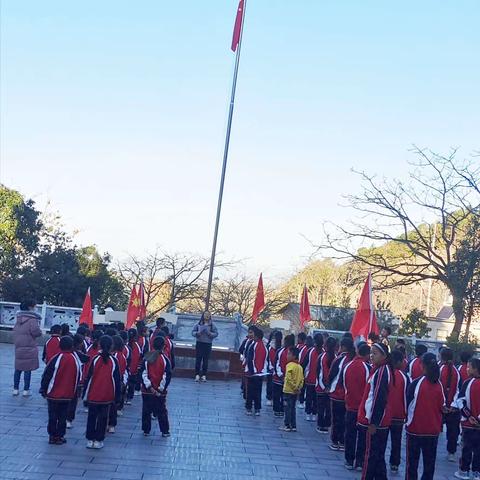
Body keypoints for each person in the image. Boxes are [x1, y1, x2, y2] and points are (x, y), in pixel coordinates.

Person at [405, 352, 446, 480]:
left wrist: (407, 422)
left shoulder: (416, 383)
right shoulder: (439, 385)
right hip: (432, 431)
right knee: (429, 464)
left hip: (415, 430)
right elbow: (442, 407)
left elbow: (407, 404)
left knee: (412, 463)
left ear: (422, 365)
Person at [357, 342, 393, 479]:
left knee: (370, 456)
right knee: (377, 456)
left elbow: (379, 398)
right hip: (381, 421)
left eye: (375, 353)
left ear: (384, 356)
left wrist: (373, 422)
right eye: (371, 353)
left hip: (376, 421)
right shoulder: (381, 369)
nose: (371, 356)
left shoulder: (382, 371)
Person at [39, 335, 81, 445]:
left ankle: (52, 436)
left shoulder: (55, 359)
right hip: (67, 395)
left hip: (52, 394)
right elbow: (77, 377)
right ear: (72, 346)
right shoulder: (74, 359)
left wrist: (43, 389)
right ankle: (60, 436)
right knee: (63, 416)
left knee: (52, 416)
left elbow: (47, 375)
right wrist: (74, 392)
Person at [83, 335, 121, 449]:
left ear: (99, 344)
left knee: (91, 417)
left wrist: (86, 394)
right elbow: (116, 380)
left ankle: (90, 439)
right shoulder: (114, 361)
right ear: (111, 346)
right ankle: (99, 440)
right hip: (107, 395)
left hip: (94, 394)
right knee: (103, 419)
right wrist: (117, 396)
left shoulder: (95, 359)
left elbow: (88, 378)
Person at [343, 342, 371, 471]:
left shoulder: (348, 366)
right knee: (362, 437)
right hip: (363, 408)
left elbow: (345, 386)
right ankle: (359, 462)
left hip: (350, 405)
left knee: (350, 434)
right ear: (367, 355)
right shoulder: (368, 368)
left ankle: (349, 460)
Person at [327, 337, 355, 451]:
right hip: (348, 396)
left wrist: (329, 387)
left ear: (343, 347)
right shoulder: (354, 360)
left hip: (337, 394)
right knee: (345, 420)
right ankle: (343, 442)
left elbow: (331, 375)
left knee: (336, 419)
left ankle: (335, 441)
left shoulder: (339, 359)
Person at [454, 357, 480, 480]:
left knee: (466, 448)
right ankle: (477, 472)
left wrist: (469, 416)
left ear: (475, 369)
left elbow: (460, 401)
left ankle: (464, 471)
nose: (467, 369)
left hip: (468, 423)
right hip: (477, 424)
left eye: (469, 367)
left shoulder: (467, 383)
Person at [141, 335, 172, 437]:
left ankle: (146, 430)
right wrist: (159, 389)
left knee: (146, 410)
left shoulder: (147, 357)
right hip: (160, 392)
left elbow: (143, 373)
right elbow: (166, 376)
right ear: (164, 346)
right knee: (161, 410)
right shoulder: (165, 360)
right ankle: (165, 431)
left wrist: (149, 386)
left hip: (147, 390)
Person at [12, 299, 42, 397]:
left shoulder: (18, 318)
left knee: (18, 369)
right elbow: (36, 332)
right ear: (30, 307)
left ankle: (15, 389)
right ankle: (26, 390)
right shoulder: (32, 319)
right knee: (27, 369)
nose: (36, 308)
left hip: (19, 346)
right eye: (35, 306)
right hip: (29, 346)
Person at [388, 349, 409, 474]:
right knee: (396, 440)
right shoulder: (405, 377)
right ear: (400, 362)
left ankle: (379, 460)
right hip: (399, 415)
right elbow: (407, 397)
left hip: (385, 414)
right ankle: (395, 463)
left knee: (382, 440)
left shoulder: (385, 373)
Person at [439, 347, 461, 462]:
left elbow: (437, 388)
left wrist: (443, 405)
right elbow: (459, 389)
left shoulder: (438, 369)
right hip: (453, 407)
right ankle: (451, 452)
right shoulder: (456, 371)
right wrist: (452, 405)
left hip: (441, 406)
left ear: (441, 356)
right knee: (453, 431)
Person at [66, 333, 89, 428]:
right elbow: (87, 358)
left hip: (66, 381)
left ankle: (65, 418)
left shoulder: (68, 353)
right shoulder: (76, 354)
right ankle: (68, 419)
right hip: (74, 382)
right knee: (72, 401)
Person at [245, 326, 268, 416]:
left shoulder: (253, 345)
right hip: (261, 373)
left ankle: (249, 408)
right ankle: (257, 409)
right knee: (258, 391)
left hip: (252, 373)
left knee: (250, 391)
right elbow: (266, 360)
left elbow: (250, 359)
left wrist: (251, 371)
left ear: (256, 336)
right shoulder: (265, 347)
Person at [280, 347, 304, 432]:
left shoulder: (289, 366)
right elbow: (302, 379)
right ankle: (293, 426)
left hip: (288, 391)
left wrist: (293, 387)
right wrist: (298, 388)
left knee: (287, 408)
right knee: (293, 408)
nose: (287, 355)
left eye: (289, 354)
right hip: (295, 392)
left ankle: (287, 425)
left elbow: (288, 378)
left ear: (294, 356)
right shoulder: (300, 367)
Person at [316, 336, 336, 433]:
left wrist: (323, 386)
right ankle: (327, 425)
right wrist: (330, 387)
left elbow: (319, 373)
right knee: (328, 408)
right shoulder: (336, 358)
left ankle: (320, 425)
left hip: (321, 386)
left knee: (321, 407)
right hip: (331, 388)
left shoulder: (321, 357)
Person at [108, 335, 128, 432]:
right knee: (113, 405)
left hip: (112, 382)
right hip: (120, 381)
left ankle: (110, 424)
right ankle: (112, 425)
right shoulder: (122, 356)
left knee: (110, 405)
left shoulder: (113, 356)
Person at [273, 334, 295, 417]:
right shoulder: (294, 352)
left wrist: (280, 375)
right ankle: (281, 410)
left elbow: (276, 363)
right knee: (284, 396)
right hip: (285, 378)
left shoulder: (280, 351)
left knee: (278, 395)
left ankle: (277, 410)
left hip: (280, 378)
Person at [192, 311, 218, 382]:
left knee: (205, 360)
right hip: (199, 343)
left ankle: (204, 375)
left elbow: (216, 333)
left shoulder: (212, 325)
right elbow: (193, 332)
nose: (207, 316)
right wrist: (197, 333)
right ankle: (197, 375)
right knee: (198, 359)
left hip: (208, 344)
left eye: (208, 315)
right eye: (205, 314)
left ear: (210, 316)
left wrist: (210, 334)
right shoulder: (198, 323)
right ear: (203, 315)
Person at [302, 334, 322, 421]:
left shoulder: (310, 351)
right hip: (319, 380)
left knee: (309, 397)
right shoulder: (323, 352)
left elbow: (304, 364)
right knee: (315, 398)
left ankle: (308, 413)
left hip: (310, 378)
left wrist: (304, 374)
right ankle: (314, 413)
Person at [126, 328, 143, 403]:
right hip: (134, 368)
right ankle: (129, 398)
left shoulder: (125, 345)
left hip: (126, 368)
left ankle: (122, 399)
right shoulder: (136, 345)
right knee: (131, 383)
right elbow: (140, 356)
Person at [265, 331, 281, 406]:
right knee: (269, 383)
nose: (274, 339)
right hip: (270, 369)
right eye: (273, 337)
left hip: (278, 370)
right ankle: (269, 397)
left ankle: (275, 398)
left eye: (275, 337)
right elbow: (267, 358)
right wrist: (270, 367)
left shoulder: (280, 348)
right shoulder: (268, 347)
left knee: (276, 385)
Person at [296, 332, 308, 409]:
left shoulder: (303, 348)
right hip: (301, 368)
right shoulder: (304, 347)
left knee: (302, 385)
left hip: (300, 368)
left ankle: (301, 400)